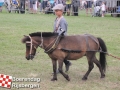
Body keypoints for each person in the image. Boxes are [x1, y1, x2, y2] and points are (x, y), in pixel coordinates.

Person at [52, 4, 71, 72]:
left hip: (61, 39)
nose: (56, 12)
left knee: (58, 54)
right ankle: (67, 63)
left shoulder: (63, 20)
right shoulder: (57, 19)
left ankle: (60, 69)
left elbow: (63, 31)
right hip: (56, 38)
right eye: (55, 11)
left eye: (57, 10)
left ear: (62, 11)